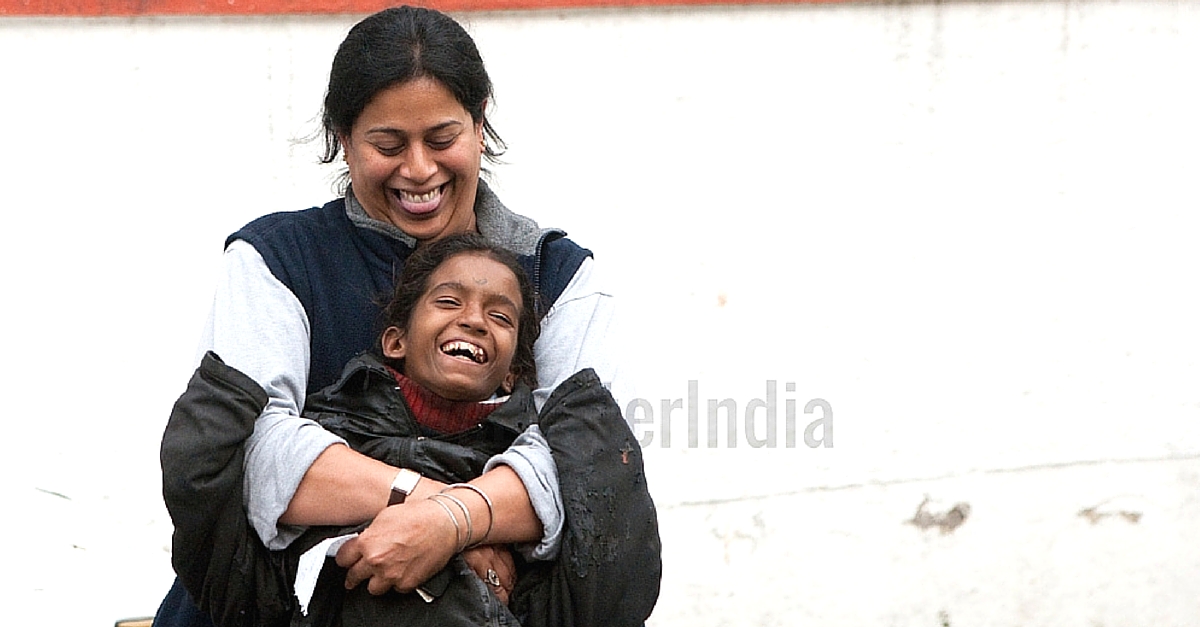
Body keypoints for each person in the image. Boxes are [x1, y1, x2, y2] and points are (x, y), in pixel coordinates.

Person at [154, 6, 629, 627]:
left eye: (442, 139)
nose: (419, 170)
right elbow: (247, 451)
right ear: (342, 137)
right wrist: (441, 513)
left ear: (480, 123)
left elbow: (588, 464)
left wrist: (447, 523)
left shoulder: (558, 277)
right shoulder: (275, 261)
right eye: (387, 145)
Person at [160, 234, 660, 627]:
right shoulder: (325, 435)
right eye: (448, 301)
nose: (474, 321)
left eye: (500, 316)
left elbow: (613, 571)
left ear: (513, 373)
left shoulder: (533, 466)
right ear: (395, 341)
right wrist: (445, 519)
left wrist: (454, 529)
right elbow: (221, 537)